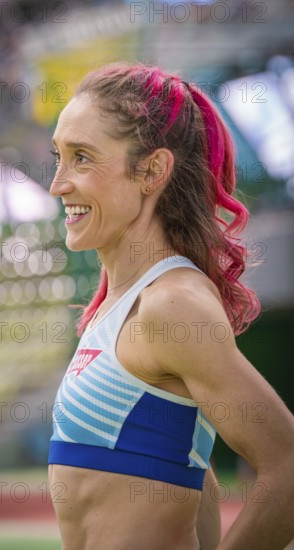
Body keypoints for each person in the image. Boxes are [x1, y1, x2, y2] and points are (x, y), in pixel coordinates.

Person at [47, 62, 294, 550]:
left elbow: (287, 466)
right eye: (58, 156)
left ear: (153, 170)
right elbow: (187, 468)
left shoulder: (171, 304)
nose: (58, 184)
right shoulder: (122, 303)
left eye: (81, 158)